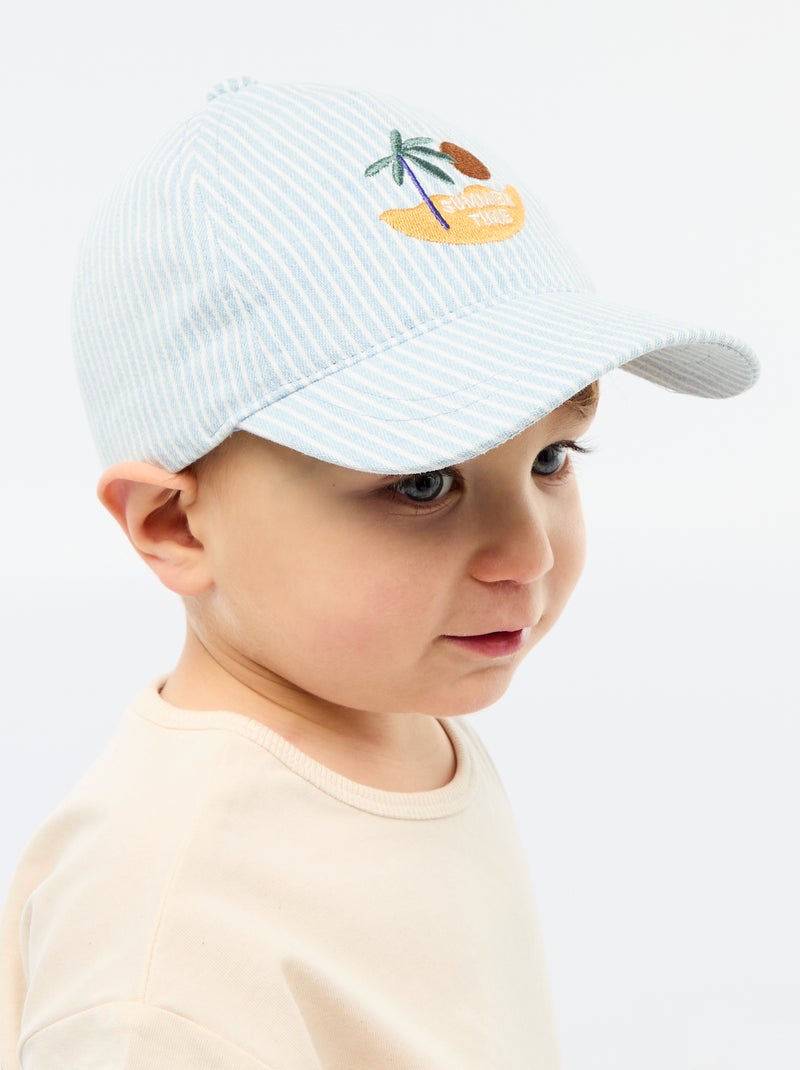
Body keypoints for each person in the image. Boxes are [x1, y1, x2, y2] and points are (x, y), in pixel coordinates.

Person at [0, 78, 759, 1070]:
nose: (528, 552)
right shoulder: (162, 956)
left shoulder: (391, 715)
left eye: (551, 457)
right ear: (176, 522)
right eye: (422, 483)